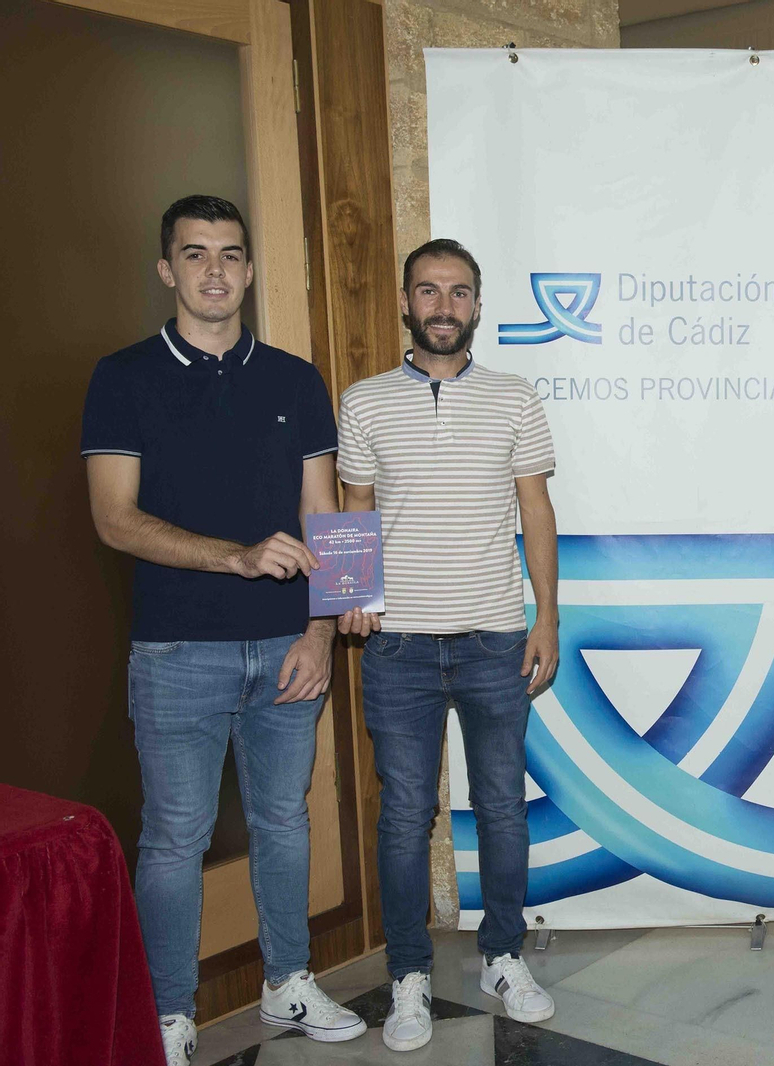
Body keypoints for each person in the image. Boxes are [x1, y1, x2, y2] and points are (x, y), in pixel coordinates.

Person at [81, 195, 365, 1066]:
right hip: (176, 649)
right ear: (167, 269)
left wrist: (322, 636)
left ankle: (287, 981)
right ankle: (168, 1015)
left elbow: (330, 517)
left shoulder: (295, 378)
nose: (215, 271)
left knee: (284, 819)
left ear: (248, 269)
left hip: (288, 646)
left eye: (231, 255)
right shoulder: (122, 377)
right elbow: (114, 520)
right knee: (176, 835)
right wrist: (235, 560)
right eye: (195, 254)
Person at [335, 238, 560, 1052]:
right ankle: (409, 976)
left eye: (458, 292)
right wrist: (349, 599)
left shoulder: (514, 397)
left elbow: (535, 510)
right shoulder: (362, 401)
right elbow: (353, 509)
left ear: (476, 305)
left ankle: (503, 955)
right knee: (405, 816)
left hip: (497, 638)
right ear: (405, 303)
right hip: (395, 648)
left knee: (501, 808)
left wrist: (548, 618)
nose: (442, 306)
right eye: (427, 291)